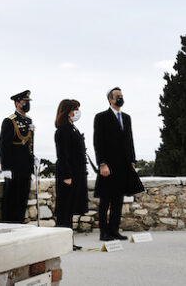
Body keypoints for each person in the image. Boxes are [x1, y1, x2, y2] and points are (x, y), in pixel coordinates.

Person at [93, 87, 144, 241]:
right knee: (105, 200)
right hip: (108, 165)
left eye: (122, 96)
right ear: (110, 99)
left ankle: (114, 230)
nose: (120, 98)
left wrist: (132, 161)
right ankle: (104, 232)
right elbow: (98, 142)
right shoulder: (101, 117)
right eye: (117, 96)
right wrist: (102, 163)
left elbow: (130, 140)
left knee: (118, 200)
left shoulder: (127, 118)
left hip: (124, 166)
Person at [54, 99, 89, 251]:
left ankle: (69, 241)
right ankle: (62, 242)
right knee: (64, 210)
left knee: (70, 210)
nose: (77, 112)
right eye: (75, 109)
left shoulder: (72, 128)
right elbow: (63, 155)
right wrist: (66, 175)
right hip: (68, 175)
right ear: (67, 111)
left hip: (77, 173)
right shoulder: (63, 130)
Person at [0, 90, 36, 223]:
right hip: (13, 168)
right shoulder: (9, 121)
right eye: (23, 102)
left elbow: (30, 145)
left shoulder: (29, 121)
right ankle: (9, 225)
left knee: (22, 200)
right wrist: (6, 167)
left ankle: (19, 224)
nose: (26, 104)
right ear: (16, 103)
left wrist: (33, 161)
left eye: (27, 102)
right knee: (11, 201)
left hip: (25, 167)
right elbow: (4, 146)